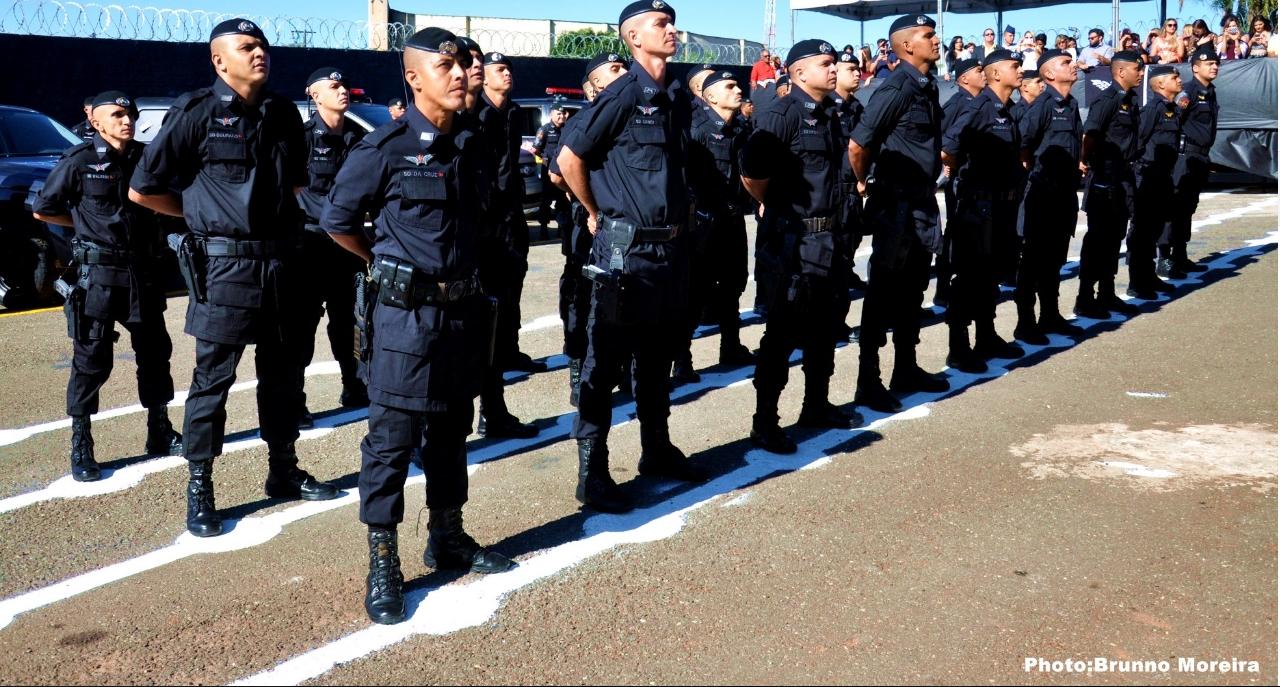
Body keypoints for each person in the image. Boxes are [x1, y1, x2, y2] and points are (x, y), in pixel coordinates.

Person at [322, 27, 519, 626]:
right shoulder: (383, 148)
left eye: (465, 63)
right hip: (405, 318)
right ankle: (384, 559)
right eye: (446, 66)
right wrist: (389, 268)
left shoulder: (474, 144)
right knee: (392, 439)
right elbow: (339, 221)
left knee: (452, 431)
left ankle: (448, 535)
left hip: (462, 314)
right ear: (414, 78)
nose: (461, 74)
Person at [128, 19, 339, 538]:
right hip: (225, 268)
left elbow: (295, 186)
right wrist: (199, 216)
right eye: (246, 47)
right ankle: (201, 486)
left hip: (283, 263)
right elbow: (143, 189)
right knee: (213, 382)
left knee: (285, 375)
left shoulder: (284, 112)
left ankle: (282, 469)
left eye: (262, 45)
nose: (259, 53)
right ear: (220, 61)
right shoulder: (196, 112)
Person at [557, 0, 704, 514]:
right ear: (633, 37)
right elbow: (568, 157)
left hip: (670, 250)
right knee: (606, 362)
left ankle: (656, 450)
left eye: (671, 22)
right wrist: (594, 211)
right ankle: (592, 472)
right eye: (660, 24)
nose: (672, 30)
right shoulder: (622, 94)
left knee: (659, 356)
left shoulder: (676, 98)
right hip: (627, 249)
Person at [32, 91, 183, 483]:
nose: (126, 120)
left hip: (142, 274)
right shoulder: (80, 162)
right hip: (97, 278)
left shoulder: (145, 157)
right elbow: (44, 208)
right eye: (116, 115)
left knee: (154, 354)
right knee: (92, 360)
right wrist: (83, 226)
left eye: (130, 113)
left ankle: (160, 429)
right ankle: (82, 443)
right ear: (96, 121)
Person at [741, 39, 862, 455]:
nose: (834, 69)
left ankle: (816, 405)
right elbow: (752, 171)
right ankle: (765, 421)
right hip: (793, 239)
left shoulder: (831, 113)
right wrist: (769, 204)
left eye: (834, 64)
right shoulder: (780, 114)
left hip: (830, 236)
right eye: (825, 64)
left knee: (826, 327)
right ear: (798, 73)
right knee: (783, 332)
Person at [849, 13, 951, 413]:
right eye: (928, 35)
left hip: (922, 203)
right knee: (883, 293)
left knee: (913, 292)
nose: (937, 40)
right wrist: (863, 184)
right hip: (897, 206)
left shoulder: (925, 88)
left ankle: (905, 368)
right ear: (907, 45)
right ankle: (868, 380)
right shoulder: (896, 88)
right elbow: (860, 145)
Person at [466, 48, 540, 439]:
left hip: (507, 224)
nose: (500, 73)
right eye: (495, 68)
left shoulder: (510, 114)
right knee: (472, 327)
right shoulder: (467, 115)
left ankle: (493, 410)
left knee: (503, 310)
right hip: (476, 232)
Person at [939, 49, 1026, 373]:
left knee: (991, 275)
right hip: (978, 205)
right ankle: (958, 347)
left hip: (1002, 205)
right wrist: (959, 176)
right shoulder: (978, 107)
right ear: (995, 73)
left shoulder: (1008, 109)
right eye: (1015, 66)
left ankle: (986, 336)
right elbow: (949, 148)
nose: (1020, 71)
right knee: (970, 277)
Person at [550, 53, 629, 407]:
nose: (624, 74)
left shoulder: (633, 117)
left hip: (625, 229)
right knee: (585, 298)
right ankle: (579, 371)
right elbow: (557, 172)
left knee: (624, 298)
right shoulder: (583, 120)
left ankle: (624, 371)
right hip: (591, 227)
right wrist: (588, 205)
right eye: (614, 70)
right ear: (593, 87)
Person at [293, 68, 369, 430]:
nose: (343, 92)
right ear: (314, 94)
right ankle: (295, 398)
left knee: (350, 321)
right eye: (334, 87)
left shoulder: (357, 137)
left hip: (347, 247)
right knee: (302, 325)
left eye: (344, 85)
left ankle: (353, 384)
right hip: (310, 246)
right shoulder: (302, 138)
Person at [1014, 49, 1086, 344]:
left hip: (1064, 193)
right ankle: (1025, 322)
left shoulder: (1071, 104)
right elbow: (1022, 142)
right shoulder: (1043, 105)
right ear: (1049, 73)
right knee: (1033, 260)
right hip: (1043, 193)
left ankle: (1050, 315)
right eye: (1066, 63)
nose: (1074, 66)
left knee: (1055, 258)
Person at [686, 70, 755, 372]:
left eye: (738, 85)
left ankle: (731, 347)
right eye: (730, 86)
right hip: (703, 220)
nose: (738, 90)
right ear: (710, 96)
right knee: (695, 289)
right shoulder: (696, 129)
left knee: (733, 283)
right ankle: (681, 359)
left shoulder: (740, 128)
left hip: (732, 218)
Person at [1074, 50, 1144, 320]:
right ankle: (1085, 297)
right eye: (1136, 68)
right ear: (1120, 72)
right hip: (1104, 176)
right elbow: (1090, 134)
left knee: (1115, 237)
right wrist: (1088, 161)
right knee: (1097, 240)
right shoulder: (1107, 99)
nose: (1140, 72)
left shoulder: (1130, 100)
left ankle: (1106, 291)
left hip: (1123, 177)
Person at [1124, 63, 1183, 300]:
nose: (1179, 80)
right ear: (1160, 83)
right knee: (1142, 229)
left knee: (1156, 227)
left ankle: (1149, 276)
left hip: (1163, 176)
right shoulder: (1152, 109)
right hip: (1147, 175)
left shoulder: (1173, 109)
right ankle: (1136, 281)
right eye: (1174, 77)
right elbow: (1139, 140)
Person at [1160, 45, 1219, 278]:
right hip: (1185, 156)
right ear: (1195, 68)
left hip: (1200, 156)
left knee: (1187, 206)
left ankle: (1180, 254)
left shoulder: (1211, 91)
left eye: (1216, 64)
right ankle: (1164, 257)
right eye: (1209, 64)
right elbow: (1174, 117)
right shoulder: (1189, 91)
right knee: (1172, 206)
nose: (1214, 67)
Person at [934, 56, 985, 309]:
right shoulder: (958, 102)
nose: (984, 74)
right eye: (979, 70)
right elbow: (941, 139)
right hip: (961, 180)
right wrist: (949, 165)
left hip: (976, 180)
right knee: (955, 234)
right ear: (964, 78)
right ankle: (944, 289)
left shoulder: (979, 103)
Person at [532, 98, 571, 239]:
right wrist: (545, 159)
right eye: (558, 114)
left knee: (563, 200)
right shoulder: (544, 130)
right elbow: (535, 148)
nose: (561, 117)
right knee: (546, 201)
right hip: (548, 171)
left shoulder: (567, 129)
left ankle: (562, 228)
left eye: (562, 114)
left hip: (563, 172)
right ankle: (543, 228)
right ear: (551, 115)